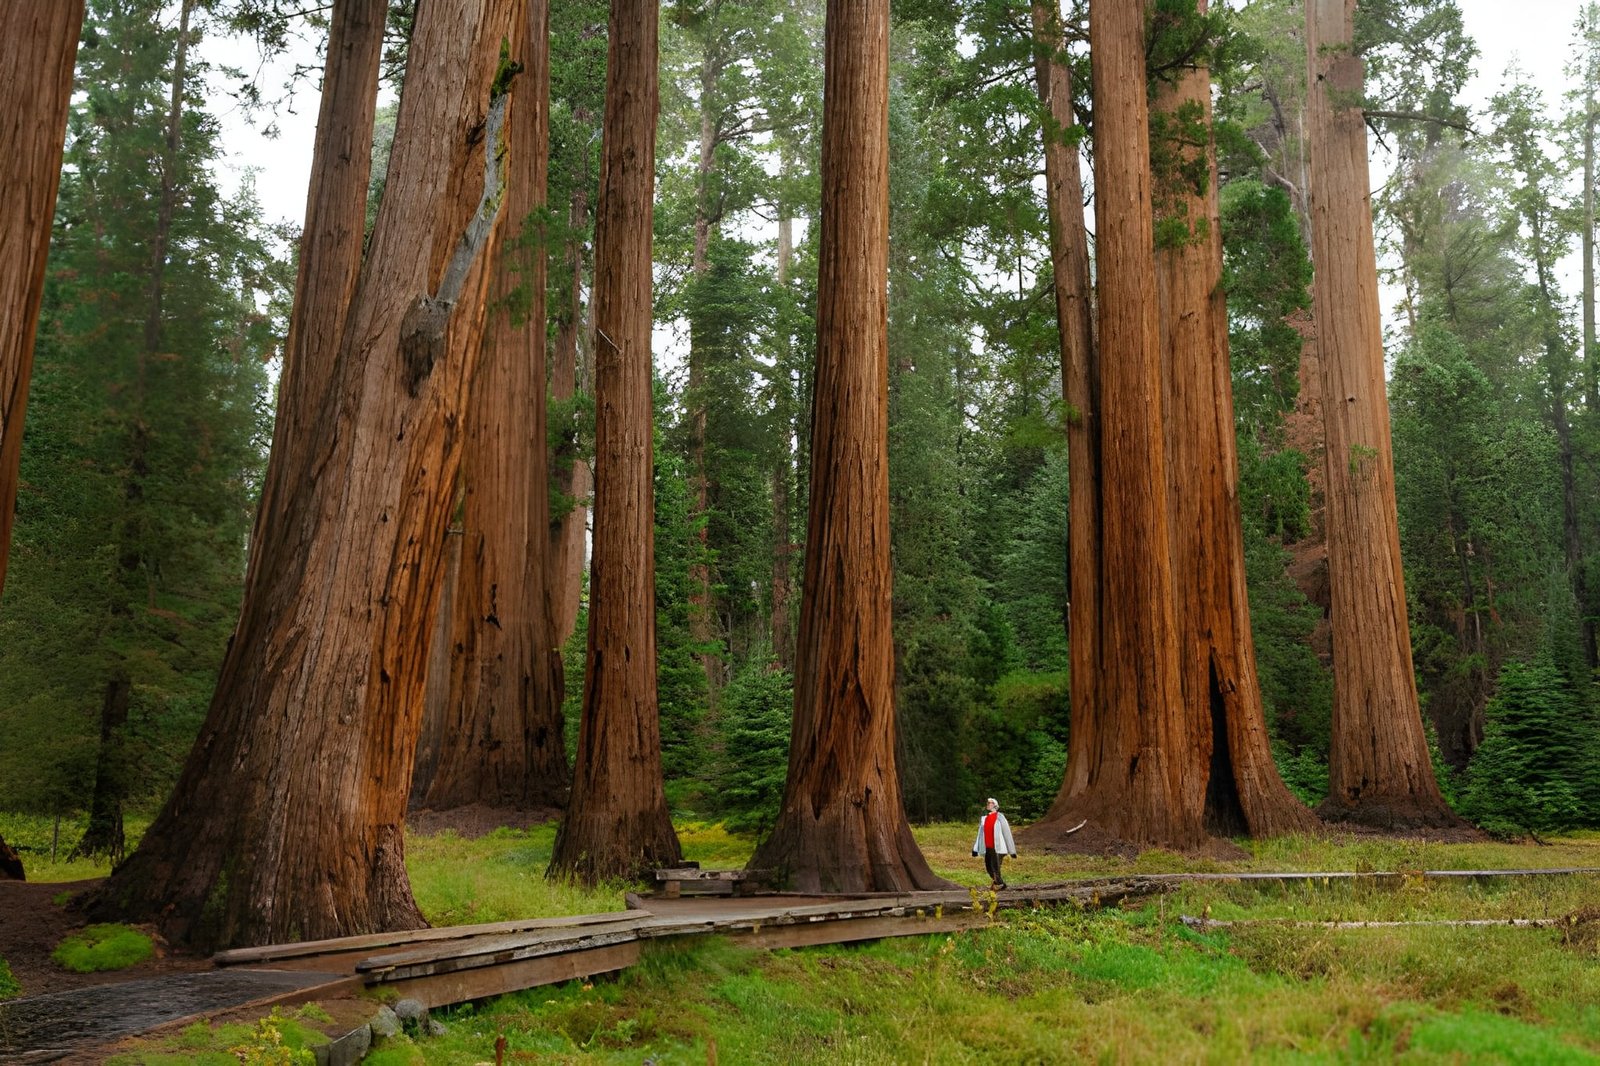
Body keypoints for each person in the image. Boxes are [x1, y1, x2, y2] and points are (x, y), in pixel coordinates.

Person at [971, 797, 1016, 890]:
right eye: (988, 803)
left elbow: (1007, 833)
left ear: (995, 805)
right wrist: (975, 849)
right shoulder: (985, 818)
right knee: (988, 867)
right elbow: (980, 835)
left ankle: (999, 884)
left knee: (995, 867)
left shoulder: (1000, 817)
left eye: (990, 803)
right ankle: (1000, 883)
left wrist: (1012, 851)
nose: (988, 804)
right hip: (987, 847)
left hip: (998, 848)